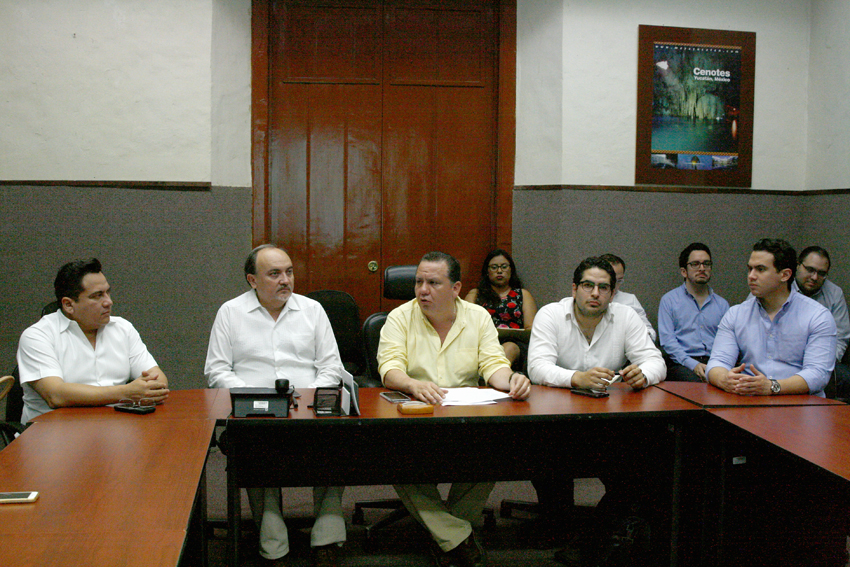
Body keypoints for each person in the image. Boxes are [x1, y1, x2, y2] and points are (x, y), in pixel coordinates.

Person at [378, 251, 531, 567]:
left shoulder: (477, 316)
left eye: (433, 283)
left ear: (456, 288)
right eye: (419, 282)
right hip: (416, 417)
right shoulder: (399, 317)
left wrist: (511, 380)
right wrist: (412, 384)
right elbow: (389, 367)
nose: (422, 290)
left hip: (464, 418)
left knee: (493, 454)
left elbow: (493, 364)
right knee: (395, 459)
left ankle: (445, 534)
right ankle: (459, 538)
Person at [205, 244, 347, 567]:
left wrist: (309, 399)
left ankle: (326, 538)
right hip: (255, 415)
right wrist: (257, 399)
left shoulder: (312, 310)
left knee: (335, 443)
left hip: (308, 411)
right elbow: (217, 371)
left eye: (289, 272)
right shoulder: (230, 312)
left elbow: (331, 367)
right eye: (274, 274)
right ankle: (273, 544)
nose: (285, 280)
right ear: (252, 280)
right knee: (257, 449)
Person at [527, 256, 666, 565]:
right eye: (588, 285)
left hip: (608, 418)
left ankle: (593, 536)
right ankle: (561, 528)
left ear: (613, 293)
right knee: (549, 464)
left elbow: (655, 360)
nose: (595, 293)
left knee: (640, 468)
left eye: (604, 288)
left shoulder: (626, 316)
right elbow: (537, 367)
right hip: (556, 419)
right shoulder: (551, 314)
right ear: (574, 288)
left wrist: (644, 374)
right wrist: (576, 377)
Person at [17, 258, 169, 423]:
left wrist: (148, 389)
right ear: (68, 305)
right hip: (53, 431)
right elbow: (56, 395)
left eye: (107, 292)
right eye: (97, 296)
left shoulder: (123, 328)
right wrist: (126, 393)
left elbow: (159, 380)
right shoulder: (37, 336)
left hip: (114, 428)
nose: (108, 302)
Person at [707, 239, 836, 397]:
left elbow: (818, 374)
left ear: (785, 275)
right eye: (750, 269)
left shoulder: (818, 316)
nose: (751, 276)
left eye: (760, 269)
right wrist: (724, 379)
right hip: (748, 401)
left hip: (799, 404)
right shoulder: (736, 314)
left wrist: (772, 387)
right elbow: (717, 362)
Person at [658, 243, 730, 382]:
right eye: (695, 264)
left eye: (706, 264)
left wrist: (718, 366)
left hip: (715, 362)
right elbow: (668, 342)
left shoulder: (722, 304)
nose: (702, 268)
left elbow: (727, 342)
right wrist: (693, 365)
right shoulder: (669, 300)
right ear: (684, 271)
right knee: (696, 383)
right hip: (682, 362)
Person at [464, 249, 537, 369]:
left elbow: (530, 330)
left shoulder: (523, 295)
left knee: (509, 348)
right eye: (494, 267)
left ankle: (494, 374)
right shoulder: (475, 295)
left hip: (514, 344)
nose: (499, 271)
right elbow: (464, 325)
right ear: (487, 271)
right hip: (482, 342)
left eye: (504, 267)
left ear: (511, 270)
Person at [600, 253, 657, 341]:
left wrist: (641, 335)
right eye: (612, 279)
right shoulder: (587, 298)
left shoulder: (629, 300)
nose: (614, 285)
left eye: (619, 280)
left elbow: (650, 333)